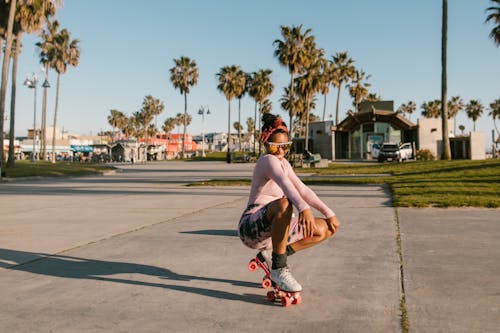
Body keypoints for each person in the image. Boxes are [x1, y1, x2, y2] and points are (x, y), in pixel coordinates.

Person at [238, 113, 340, 292]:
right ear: (265, 144)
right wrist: (304, 208)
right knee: (284, 204)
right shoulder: (267, 161)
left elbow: (302, 189)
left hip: (275, 231)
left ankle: (273, 255)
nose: (281, 151)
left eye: (285, 146)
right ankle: (278, 268)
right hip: (251, 227)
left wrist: (329, 213)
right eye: (275, 147)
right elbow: (285, 184)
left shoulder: (284, 163)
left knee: (324, 229)